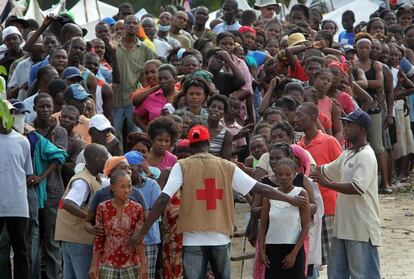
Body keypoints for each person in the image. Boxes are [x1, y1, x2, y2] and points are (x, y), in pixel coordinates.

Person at [132, 125, 308, 278]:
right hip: (220, 236)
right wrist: (289, 198)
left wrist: (142, 232)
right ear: (208, 144)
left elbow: (163, 198)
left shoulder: (182, 166)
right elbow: (260, 188)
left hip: (192, 238)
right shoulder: (226, 165)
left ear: (191, 147)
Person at [310, 110, 381, 279]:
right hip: (342, 227)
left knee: (363, 275)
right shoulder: (348, 154)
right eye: (345, 124)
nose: (345, 128)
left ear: (362, 129)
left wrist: (328, 184)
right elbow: (324, 170)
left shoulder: (366, 155)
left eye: (350, 125)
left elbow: (357, 187)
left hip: (361, 228)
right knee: (336, 274)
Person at [294, 102, 343, 266]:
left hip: (329, 208)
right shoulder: (298, 147)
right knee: (311, 260)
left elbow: (342, 171)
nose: (296, 119)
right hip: (308, 209)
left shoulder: (329, 142)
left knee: (333, 260)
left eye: (300, 115)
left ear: (313, 117)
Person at [55, 143, 109, 279]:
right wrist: (89, 217)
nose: (107, 161)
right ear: (97, 159)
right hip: (80, 240)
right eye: (105, 158)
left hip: (71, 238)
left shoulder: (92, 178)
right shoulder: (83, 181)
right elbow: (68, 203)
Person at [89, 169, 147, 279]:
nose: (127, 190)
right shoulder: (103, 208)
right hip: (108, 264)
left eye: (129, 186)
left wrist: (143, 265)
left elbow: (140, 240)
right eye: (122, 187)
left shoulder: (137, 208)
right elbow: (99, 240)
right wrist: (94, 265)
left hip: (131, 264)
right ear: (112, 188)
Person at [259, 157, 310, 279]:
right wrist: (261, 250)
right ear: (275, 175)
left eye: (288, 174)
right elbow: (263, 225)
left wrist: (293, 254)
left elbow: (306, 226)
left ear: (295, 174)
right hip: (272, 248)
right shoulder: (270, 194)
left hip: (294, 247)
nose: (284, 177)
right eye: (280, 174)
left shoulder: (301, 194)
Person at [0, 99, 33, 279]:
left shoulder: (22, 141)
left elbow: (27, 172)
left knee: (21, 249)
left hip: (18, 205)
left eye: (13, 113)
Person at [114, 14, 155, 137]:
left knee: (135, 135)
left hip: (135, 101)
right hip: (115, 99)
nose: (131, 25)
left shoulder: (145, 50)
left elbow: (153, 72)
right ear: (124, 26)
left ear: (138, 27)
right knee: (115, 135)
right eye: (129, 23)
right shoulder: (114, 46)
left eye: (135, 23)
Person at [125, 151, 161, 279]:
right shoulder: (122, 187)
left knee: (146, 275)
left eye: (131, 167)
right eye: (125, 168)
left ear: (139, 167)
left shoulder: (152, 185)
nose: (128, 171)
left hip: (149, 240)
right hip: (126, 241)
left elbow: (156, 214)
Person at [207, 94, 233, 160]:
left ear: (224, 113)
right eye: (213, 106)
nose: (216, 110)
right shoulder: (198, 126)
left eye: (220, 108)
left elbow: (225, 160)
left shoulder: (227, 134)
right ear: (208, 108)